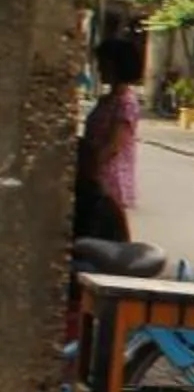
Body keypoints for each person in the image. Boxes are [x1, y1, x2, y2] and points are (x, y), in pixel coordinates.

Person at [73, 34, 144, 244]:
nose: (100, 69)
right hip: (93, 172)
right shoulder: (107, 100)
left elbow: (115, 145)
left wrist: (92, 169)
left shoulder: (126, 103)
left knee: (105, 234)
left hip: (107, 177)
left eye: (104, 64)